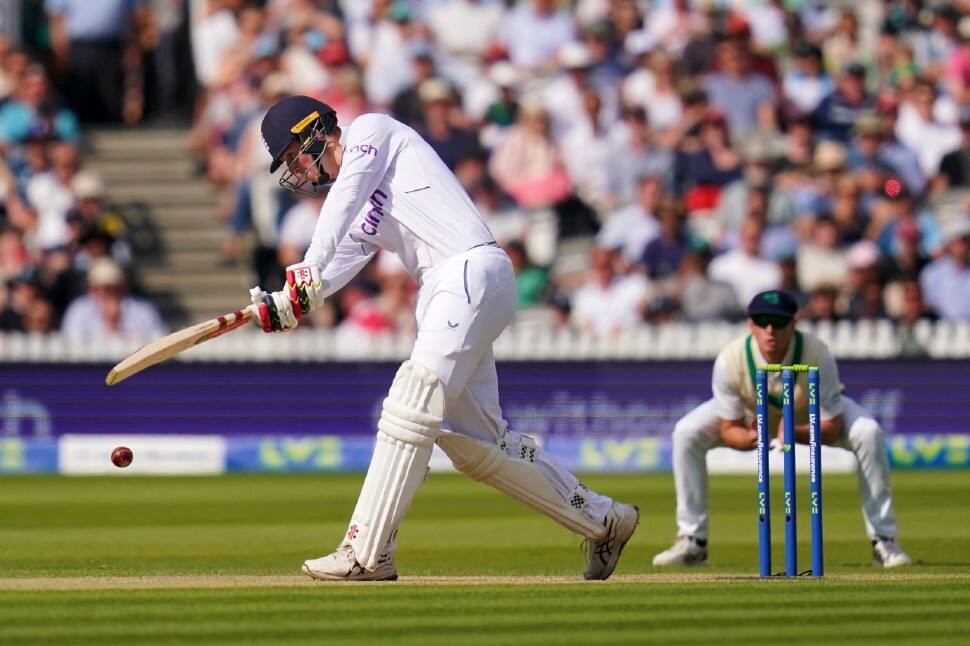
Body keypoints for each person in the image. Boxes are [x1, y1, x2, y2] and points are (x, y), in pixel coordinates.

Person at [251, 96, 639, 581]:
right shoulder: (361, 203)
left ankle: (366, 553)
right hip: (446, 288)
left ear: (315, 132)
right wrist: (290, 303)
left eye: (293, 156)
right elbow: (336, 264)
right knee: (477, 445)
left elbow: (342, 203)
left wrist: (306, 266)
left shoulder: (372, 132)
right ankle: (603, 520)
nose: (297, 171)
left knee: (411, 400)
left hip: (469, 270)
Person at [651, 290, 911, 568]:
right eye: (762, 322)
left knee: (868, 432)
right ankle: (693, 541)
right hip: (752, 414)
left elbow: (833, 428)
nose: (770, 330)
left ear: (793, 323)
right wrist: (752, 437)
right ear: (751, 324)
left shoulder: (817, 353)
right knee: (686, 432)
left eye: (778, 322)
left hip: (808, 416)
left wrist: (795, 431)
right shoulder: (731, 359)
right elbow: (730, 427)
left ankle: (884, 539)